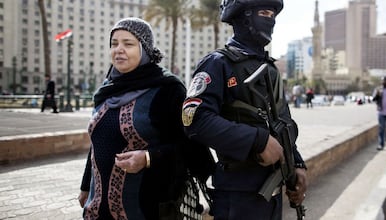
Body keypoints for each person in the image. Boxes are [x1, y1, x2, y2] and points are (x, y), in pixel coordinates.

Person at [181, 1, 307, 219]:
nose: (272, 20)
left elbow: (281, 123)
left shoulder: (271, 69)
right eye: (265, 13)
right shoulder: (218, 63)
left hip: (272, 198)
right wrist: (257, 140)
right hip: (238, 196)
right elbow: (194, 119)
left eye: (273, 15)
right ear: (244, 16)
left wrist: (296, 163)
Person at [78, 17, 190, 219]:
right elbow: (97, 142)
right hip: (97, 208)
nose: (118, 49)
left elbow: (188, 147)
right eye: (114, 44)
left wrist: (148, 158)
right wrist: (85, 186)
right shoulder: (107, 89)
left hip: (146, 207)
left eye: (128, 44)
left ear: (145, 49)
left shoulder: (168, 89)